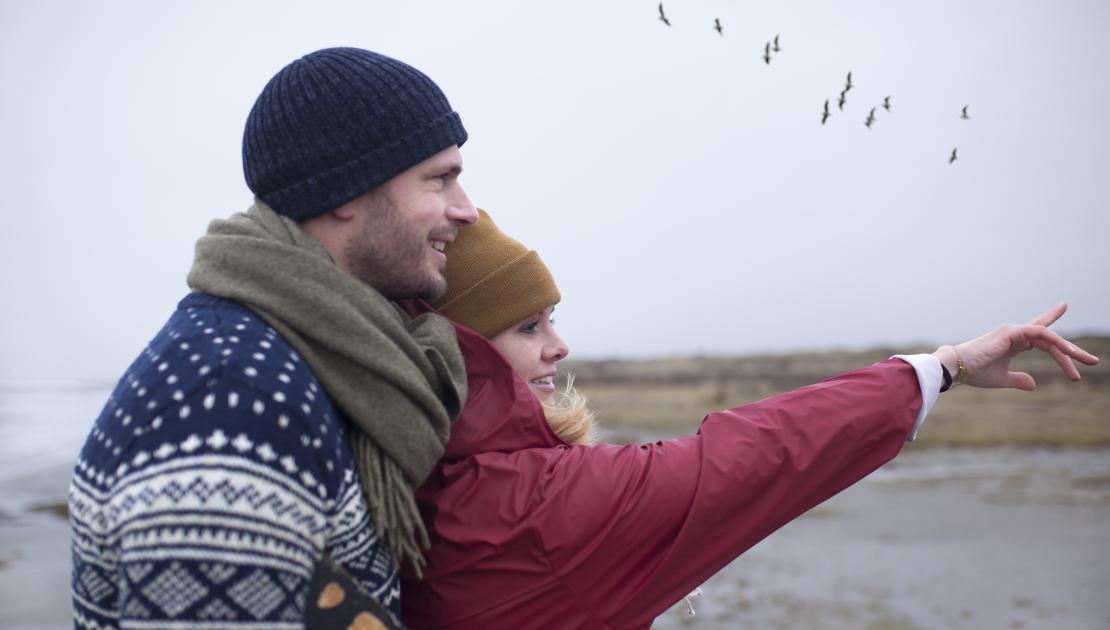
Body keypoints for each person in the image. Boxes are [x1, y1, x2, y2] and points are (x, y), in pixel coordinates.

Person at [398, 209, 1099, 629]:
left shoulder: (409, 472)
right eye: (528, 327)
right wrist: (943, 366)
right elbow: (757, 455)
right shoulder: (535, 507)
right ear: (465, 348)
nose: (560, 344)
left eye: (555, 319)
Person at [68, 47, 477, 629]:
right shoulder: (225, 408)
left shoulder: (316, 356)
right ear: (345, 191)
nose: (468, 211)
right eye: (439, 179)